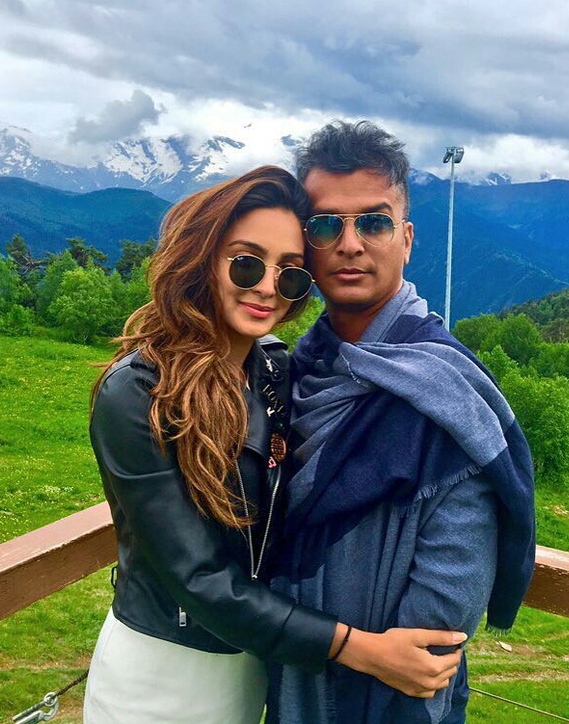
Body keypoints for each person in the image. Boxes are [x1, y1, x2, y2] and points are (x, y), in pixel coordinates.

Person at [83, 165, 468, 724]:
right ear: (201, 259)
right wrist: (361, 649)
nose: (267, 287)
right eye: (246, 263)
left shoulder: (272, 372)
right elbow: (198, 578)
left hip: (254, 665)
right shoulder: (139, 393)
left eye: (289, 274)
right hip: (161, 671)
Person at [268, 123, 536, 723]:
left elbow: (442, 613)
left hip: (393, 705)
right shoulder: (294, 373)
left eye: (374, 222)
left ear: (406, 239)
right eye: (325, 225)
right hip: (291, 681)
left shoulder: (445, 390)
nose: (350, 244)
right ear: (304, 245)